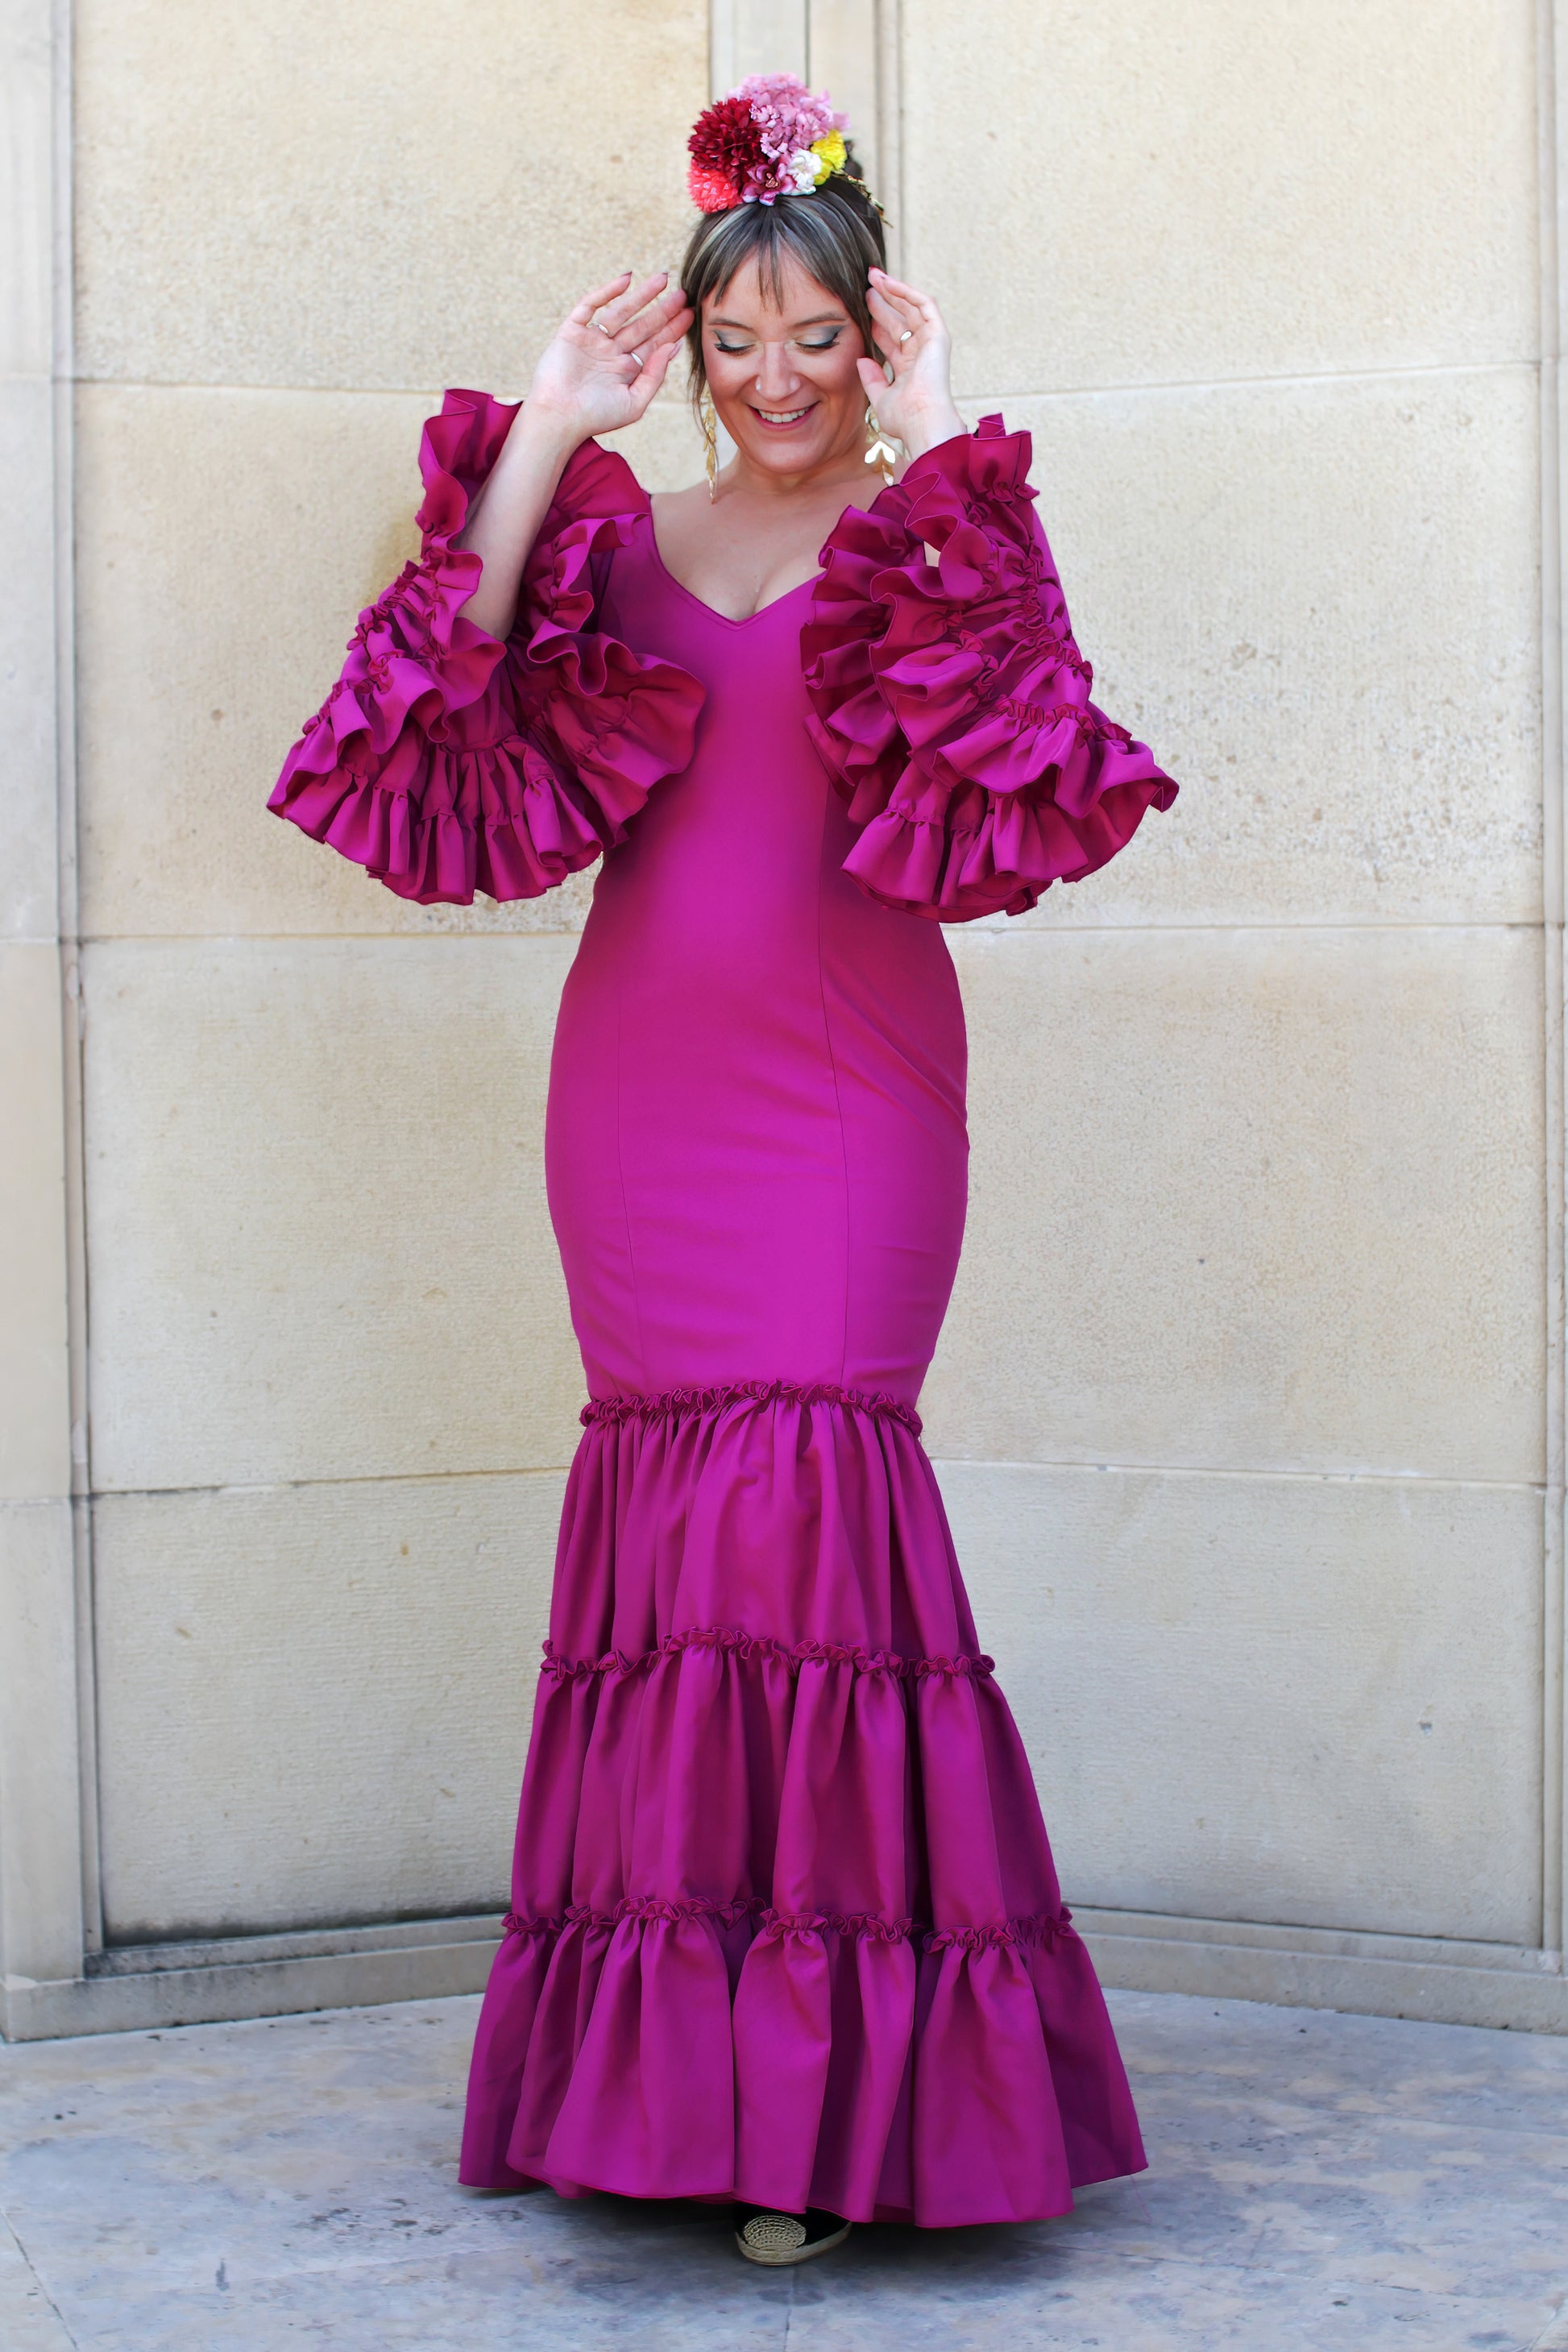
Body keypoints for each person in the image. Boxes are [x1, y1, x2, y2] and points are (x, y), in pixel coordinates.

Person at [269, 74, 1176, 2267]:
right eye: (736, 342)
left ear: (872, 337)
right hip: (640, 1094)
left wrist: (952, 431)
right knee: (674, 1557)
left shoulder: (931, 522)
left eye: (822, 341)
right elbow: (417, 732)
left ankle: (833, 2121)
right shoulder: (602, 536)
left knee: (808, 1528)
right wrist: (542, 441)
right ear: (696, 343)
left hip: (854, 1096)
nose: (779, 383)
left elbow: (1036, 735)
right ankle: (664, 2088)